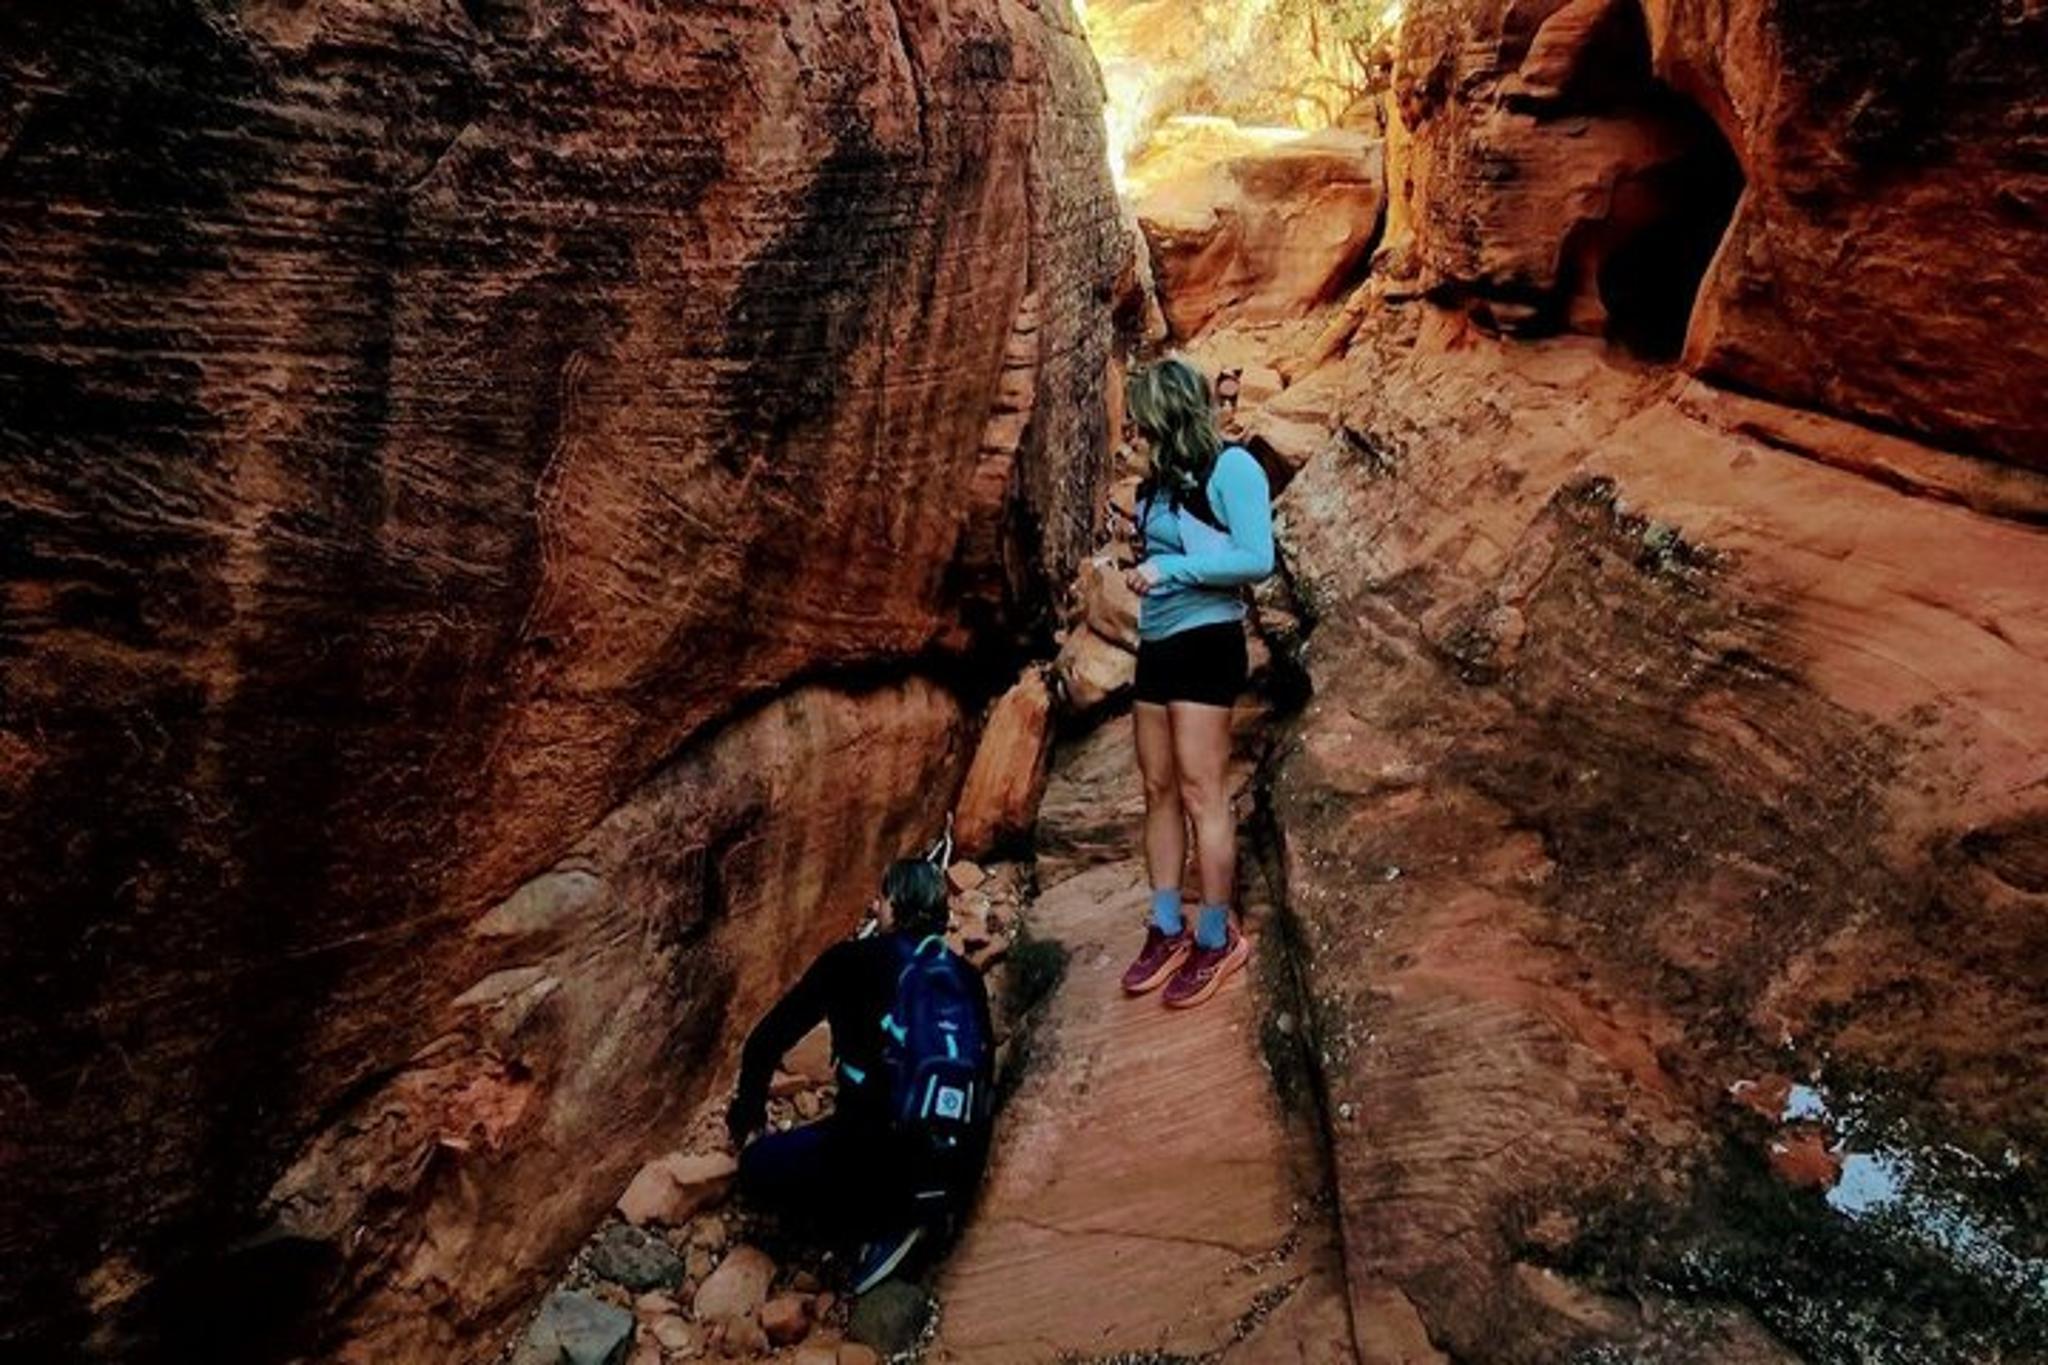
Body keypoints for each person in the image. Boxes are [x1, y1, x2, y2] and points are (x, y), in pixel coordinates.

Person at [726, 858, 994, 1294]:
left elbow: (763, 1043)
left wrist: (748, 1122)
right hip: (951, 1172)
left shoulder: (848, 962)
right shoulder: (964, 978)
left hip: (869, 1168)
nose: (874, 906)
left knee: (758, 1168)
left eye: (882, 898)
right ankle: (924, 1209)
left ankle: (873, 1227)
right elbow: (982, 1085)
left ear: (896, 906)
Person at [1116, 357, 1275, 1009]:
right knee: (1156, 787)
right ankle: (1165, 925)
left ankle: (1216, 934)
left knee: (1200, 791)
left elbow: (1257, 557)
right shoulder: (1153, 484)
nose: (1133, 432)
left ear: (1170, 413)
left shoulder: (1232, 468)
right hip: (1157, 643)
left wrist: (1171, 570)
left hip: (1208, 641)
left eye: (1141, 420)